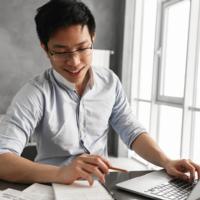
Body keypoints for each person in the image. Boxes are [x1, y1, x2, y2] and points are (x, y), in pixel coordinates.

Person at [0, 0, 199, 186]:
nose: (75, 61)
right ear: (45, 49)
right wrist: (62, 173)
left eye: (82, 48)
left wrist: (166, 161)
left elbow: (132, 131)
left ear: (92, 39)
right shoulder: (34, 93)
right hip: (51, 186)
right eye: (61, 51)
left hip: (101, 187)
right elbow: (2, 159)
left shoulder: (110, 82)